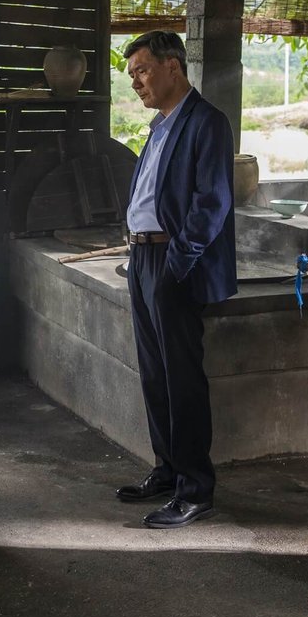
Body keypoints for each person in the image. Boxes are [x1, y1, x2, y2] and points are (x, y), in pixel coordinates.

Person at [113, 31, 237, 529]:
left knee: (181, 378)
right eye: (132, 75)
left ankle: (195, 489)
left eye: (142, 70)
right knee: (154, 373)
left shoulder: (207, 122)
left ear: (172, 67)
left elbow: (213, 203)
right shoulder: (160, 126)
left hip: (172, 261)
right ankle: (167, 470)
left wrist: (176, 265)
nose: (136, 83)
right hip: (143, 259)